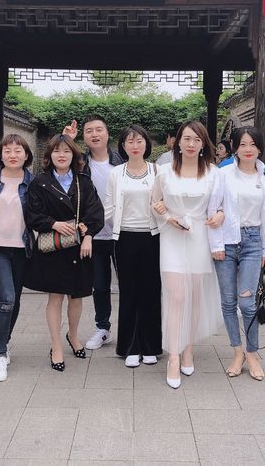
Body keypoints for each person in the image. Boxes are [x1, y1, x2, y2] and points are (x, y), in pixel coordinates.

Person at [152, 121, 224, 388]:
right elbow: (154, 202)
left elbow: (222, 205)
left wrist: (220, 215)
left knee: (194, 297)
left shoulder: (213, 173)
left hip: (200, 238)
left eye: (197, 139)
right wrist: (166, 216)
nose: (191, 144)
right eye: (186, 139)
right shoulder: (164, 172)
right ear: (177, 142)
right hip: (172, 238)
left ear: (203, 144)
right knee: (176, 296)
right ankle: (173, 356)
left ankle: (188, 348)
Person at [25, 134, 104, 372]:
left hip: (79, 247)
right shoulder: (40, 182)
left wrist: (89, 235)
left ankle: (73, 335)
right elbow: (32, 214)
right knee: (56, 297)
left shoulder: (83, 181)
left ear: (74, 155)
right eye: (57, 151)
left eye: (67, 151)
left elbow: (95, 212)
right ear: (49, 155)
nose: (62, 155)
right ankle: (56, 345)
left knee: (77, 296)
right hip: (54, 248)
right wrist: (53, 223)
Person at [214, 127, 265, 380]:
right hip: (227, 242)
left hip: (253, 241)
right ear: (235, 147)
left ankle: (252, 353)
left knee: (247, 303)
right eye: (242, 144)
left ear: (259, 148)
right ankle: (237, 351)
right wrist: (216, 245)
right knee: (228, 302)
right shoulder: (223, 174)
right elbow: (214, 208)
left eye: (252, 144)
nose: (248, 149)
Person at [103, 124, 162, 367]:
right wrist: (96, 226)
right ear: (123, 146)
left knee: (151, 292)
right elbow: (108, 206)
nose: (135, 146)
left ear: (147, 144)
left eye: (139, 141)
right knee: (128, 292)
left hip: (152, 236)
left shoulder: (157, 171)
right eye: (130, 141)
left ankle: (151, 346)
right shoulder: (116, 173)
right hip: (124, 238)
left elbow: (165, 202)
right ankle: (129, 346)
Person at [62, 115, 122, 351]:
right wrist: (67, 139)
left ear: (108, 133)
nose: (94, 134)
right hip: (92, 235)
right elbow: (57, 163)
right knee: (100, 285)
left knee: (128, 284)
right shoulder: (79, 164)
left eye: (99, 130)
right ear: (84, 137)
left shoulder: (122, 162)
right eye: (89, 131)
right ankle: (103, 328)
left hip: (121, 233)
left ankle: (131, 328)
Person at [0, 134, 35, 382]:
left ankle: (5, 341)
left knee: (15, 300)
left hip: (22, 250)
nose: (13, 155)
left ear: (26, 155)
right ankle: (0, 355)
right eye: (7, 151)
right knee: (6, 300)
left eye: (18, 150)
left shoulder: (33, 182)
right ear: (0, 155)